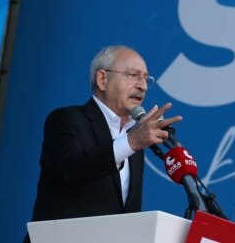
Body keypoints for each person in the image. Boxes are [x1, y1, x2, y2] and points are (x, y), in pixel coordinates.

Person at [24, 45, 181, 243]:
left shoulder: (133, 143)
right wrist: (131, 142)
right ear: (102, 79)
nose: (143, 86)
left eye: (146, 78)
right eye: (133, 75)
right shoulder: (67, 119)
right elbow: (68, 169)